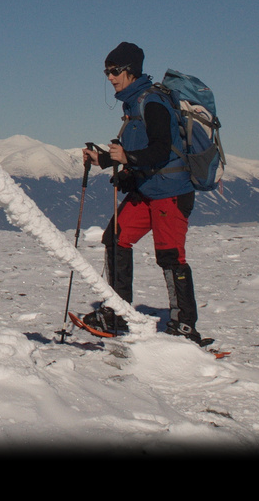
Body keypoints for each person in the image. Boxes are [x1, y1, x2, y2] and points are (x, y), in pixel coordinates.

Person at [79, 41, 209, 345]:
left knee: (170, 256)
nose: (109, 77)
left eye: (114, 71)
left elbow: (161, 150)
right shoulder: (133, 103)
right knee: (115, 238)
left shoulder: (152, 102)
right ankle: (118, 312)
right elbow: (137, 151)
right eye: (106, 72)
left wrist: (128, 160)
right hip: (147, 191)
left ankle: (184, 325)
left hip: (171, 193)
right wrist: (105, 160)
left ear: (130, 71)